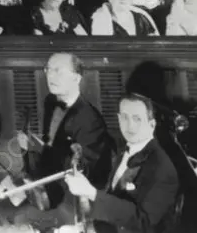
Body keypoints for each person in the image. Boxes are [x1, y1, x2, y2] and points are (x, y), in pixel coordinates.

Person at [4, 53, 112, 229]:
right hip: (48, 185)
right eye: (48, 70)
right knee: (4, 201)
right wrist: (29, 151)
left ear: (76, 78)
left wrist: (35, 186)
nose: (50, 76)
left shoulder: (90, 120)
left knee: (15, 219)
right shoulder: (51, 101)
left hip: (72, 200)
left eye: (58, 71)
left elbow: (89, 174)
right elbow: (51, 147)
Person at [64, 94, 179, 233]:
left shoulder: (161, 167)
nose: (130, 125)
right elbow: (117, 212)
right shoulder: (123, 152)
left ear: (152, 125)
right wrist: (84, 229)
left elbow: (145, 223)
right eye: (124, 117)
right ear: (118, 119)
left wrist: (92, 193)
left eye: (137, 119)